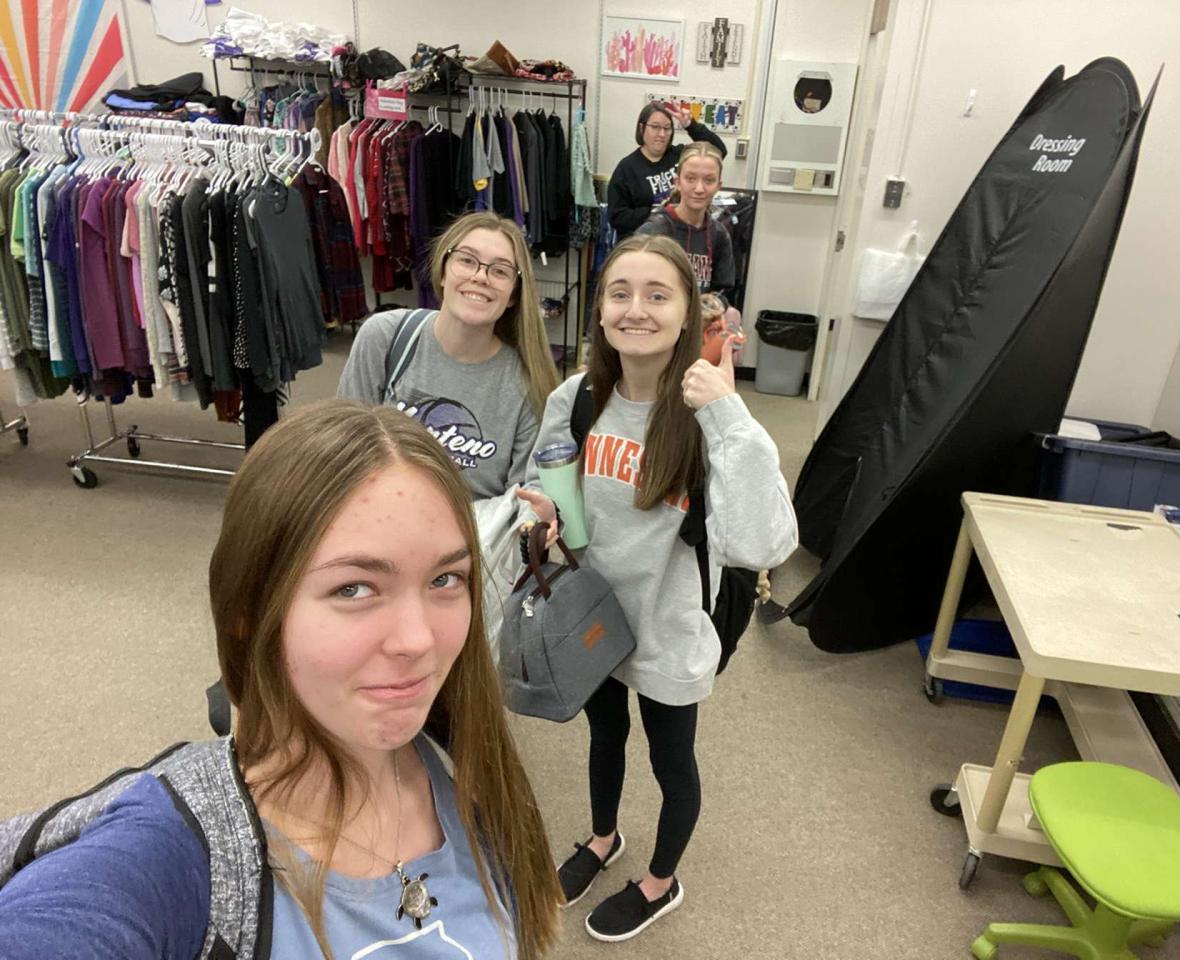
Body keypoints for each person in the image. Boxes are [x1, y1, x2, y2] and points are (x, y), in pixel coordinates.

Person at [0, 400, 561, 959]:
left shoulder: (468, 770)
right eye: (354, 588)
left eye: (445, 579)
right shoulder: (165, 856)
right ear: (248, 612)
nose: (418, 640)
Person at [519, 235, 798, 941]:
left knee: (672, 761)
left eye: (657, 295)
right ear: (600, 310)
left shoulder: (709, 415)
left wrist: (728, 413)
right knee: (605, 734)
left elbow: (766, 543)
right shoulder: (577, 399)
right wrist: (543, 519)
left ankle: (660, 881)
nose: (635, 310)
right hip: (593, 616)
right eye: (620, 293)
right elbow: (549, 492)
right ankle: (603, 838)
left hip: (671, 625)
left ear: (686, 315)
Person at [337, 211, 559, 513]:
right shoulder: (385, 337)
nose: (480, 276)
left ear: (512, 296)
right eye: (467, 260)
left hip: (473, 537)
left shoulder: (527, 383)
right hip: (377, 522)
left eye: (500, 271)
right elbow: (344, 452)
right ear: (442, 272)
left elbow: (519, 503)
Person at [637, 143, 743, 365]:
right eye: (691, 178)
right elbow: (628, 286)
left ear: (718, 186)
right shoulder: (655, 230)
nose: (699, 188)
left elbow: (723, 290)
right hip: (656, 336)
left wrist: (712, 306)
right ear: (678, 182)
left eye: (709, 180)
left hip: (698, 338)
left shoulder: (719, 235)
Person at [606, 103, 727, 239]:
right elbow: (617, 217)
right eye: (655, 127)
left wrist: (691, 126)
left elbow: (718, 151)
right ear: (642, 128)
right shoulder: (627, 168)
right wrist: (660, 212)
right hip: (644, 241)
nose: (662, 134)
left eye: (667, 128)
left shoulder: (680, 155)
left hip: (683, 238)